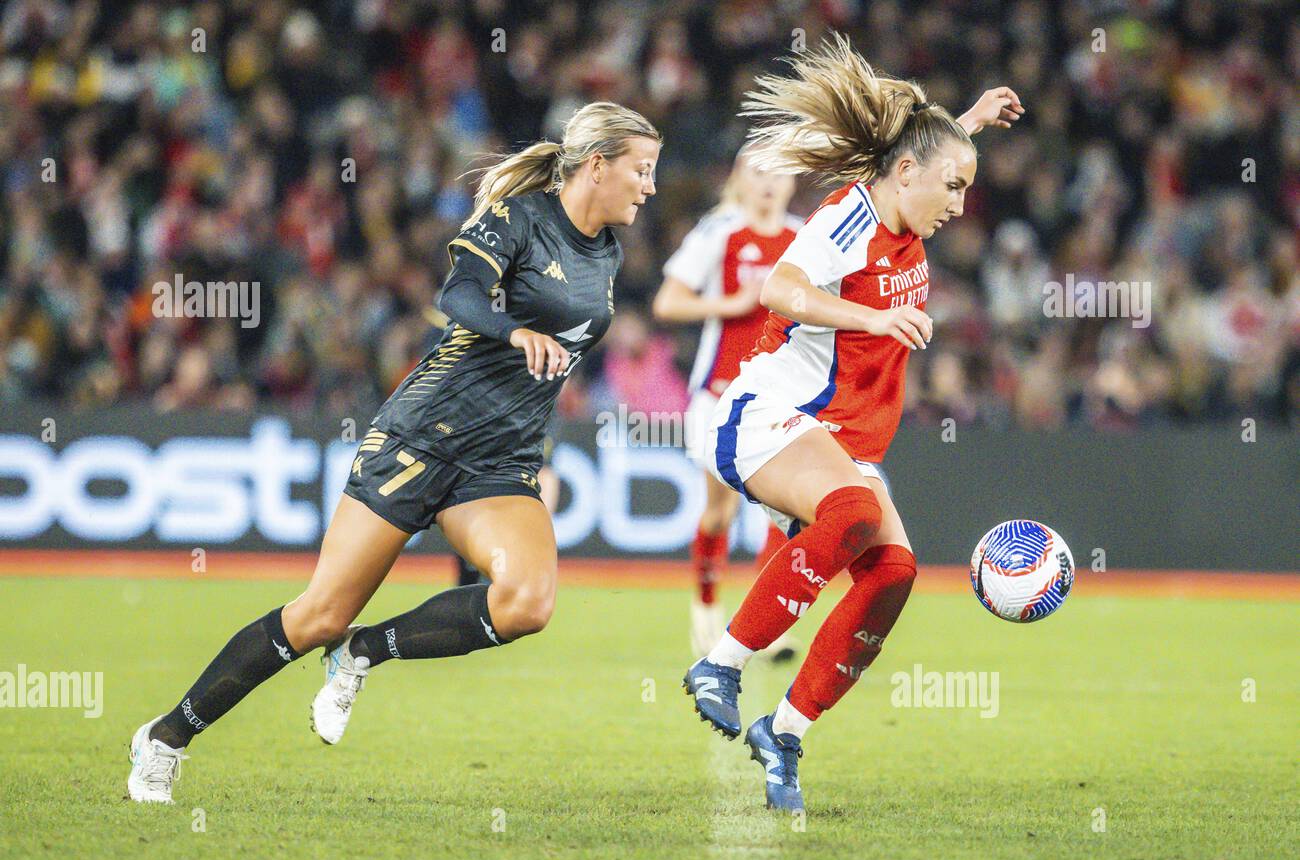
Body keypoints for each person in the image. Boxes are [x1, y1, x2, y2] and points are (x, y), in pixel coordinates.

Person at [127, 102, 662, 803]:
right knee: (318, 611)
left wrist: (543, 439)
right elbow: (459, 296)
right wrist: (512, 333)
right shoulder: (518, 219)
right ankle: (166, 737)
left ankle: (364, 651)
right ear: (597, 165)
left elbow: (553, 369)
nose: (649, 187)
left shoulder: (608, 255)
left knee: (528, 600)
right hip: (420, 436)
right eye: (641, 170)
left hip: (500, 461)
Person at [682, 34, 1024, 812]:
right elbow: (780, 287)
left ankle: (787, 730)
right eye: (954, 187)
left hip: (842, 438)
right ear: (907, 173)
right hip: (772, 414)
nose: (960, 204)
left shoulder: (911, 185)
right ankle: (723, 662)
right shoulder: (852, 213)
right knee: (855, 512)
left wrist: (968, 119)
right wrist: (873, 311)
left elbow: (934, 152)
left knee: (894, 572)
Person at [653, 147, 803, 659]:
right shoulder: (719, 232)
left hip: (781, 399)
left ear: (792, 182)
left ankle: (766, 626)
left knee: (783, 513)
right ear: (739, 179)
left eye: (778, 173)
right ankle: (706, 608)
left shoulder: (805, 237)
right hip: (719, 395)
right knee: (719, 512)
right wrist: (735, 304)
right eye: (757, 172)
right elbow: (668, 301)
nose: (767, 183)